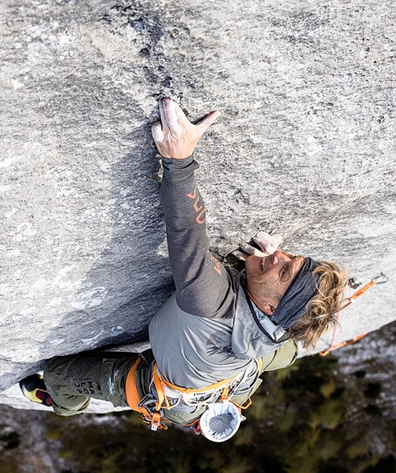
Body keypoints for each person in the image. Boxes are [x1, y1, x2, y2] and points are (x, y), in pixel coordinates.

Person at [20, 98, 347, 441]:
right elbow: (284, 302)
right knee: (291, 348)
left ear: (269, 308)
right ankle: (291, 333)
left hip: (176, 396)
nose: (277, 254)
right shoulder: (285, 319)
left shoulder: (211, 302)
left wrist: (178, 159)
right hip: (243, 371)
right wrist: (260, 268)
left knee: (57, 374)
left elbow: (186, 231)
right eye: (290, 259)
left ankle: (60, 404)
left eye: (282, 273)